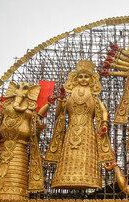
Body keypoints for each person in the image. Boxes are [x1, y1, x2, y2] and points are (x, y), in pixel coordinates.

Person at [45, 60, 115, 189]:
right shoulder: (70, 96)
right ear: (75, 79)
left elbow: (104, 110)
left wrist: (104, 123)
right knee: (68, 155)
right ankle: (64, 179)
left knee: (87, 156)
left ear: (91, 79)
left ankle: (89, 179)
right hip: (71, 129)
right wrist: (61, 99)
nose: (83, 79)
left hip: (88, 130)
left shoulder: (94, 97)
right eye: (80, 76)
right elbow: (58, 113)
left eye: (86, 76)